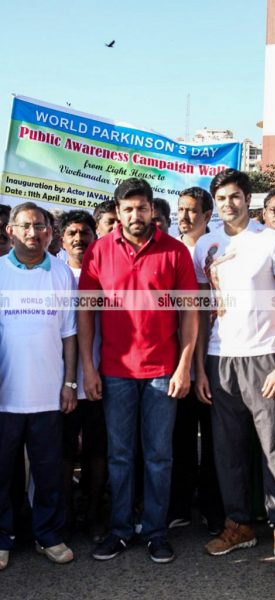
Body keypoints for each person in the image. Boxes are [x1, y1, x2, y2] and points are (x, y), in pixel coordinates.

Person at [78, 178, 198, 564]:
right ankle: (120, 530)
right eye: (128, 209)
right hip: (115, 371)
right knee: (120, 455)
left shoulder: (176, 252)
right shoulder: (98, 251)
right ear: (118, 211)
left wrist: (184, 366)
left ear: (151, 209)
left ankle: (156, 531)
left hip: (163, 370)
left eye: (142, 207)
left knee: (160, 455)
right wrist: (87, 368)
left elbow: (190, 315)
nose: (136, 215)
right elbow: (85, 314)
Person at [194, 168, 275, 574]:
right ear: (215, 203)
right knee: (226, 451)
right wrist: (200, 368)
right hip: (219, 360)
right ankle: (238, 524)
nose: (229, 203)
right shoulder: (206, 244)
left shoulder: (272, 241)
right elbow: (202, 310)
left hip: (265, 358)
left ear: (248, 198)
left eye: (236, 196)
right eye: (222, 198)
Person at [0, 202, 77, 570]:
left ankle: (48, 535)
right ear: (10, 230)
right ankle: (3, 537)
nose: (34, 233)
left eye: (41, 226)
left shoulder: (62, 274)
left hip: (48, 396)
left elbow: (70, 335)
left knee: (49, 473)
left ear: (51, 230)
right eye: (26, 226)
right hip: (5, 396)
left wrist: (69, 383)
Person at [168, 187, 224, 534]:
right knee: (181, 435)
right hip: (172, 358)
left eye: (192, 211)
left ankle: (212, 507)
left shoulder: (213, 250)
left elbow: (202, 313)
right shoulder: (170, 249)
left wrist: (198, 364)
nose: (185, 217)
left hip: (209, 356)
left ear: (207, 216)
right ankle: (180, 505)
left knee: (214, 436)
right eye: (181, 210)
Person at [60, 210, 108, 542]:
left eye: (85, 232)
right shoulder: (55, 275)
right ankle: (62, 517)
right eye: (72, 233)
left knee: (98, 451)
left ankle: (93, 515)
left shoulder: (105, 272)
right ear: (61, 239)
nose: (79, 239)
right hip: (61, 383)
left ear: (95, 236)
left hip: (100, 379)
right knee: (62, 453)